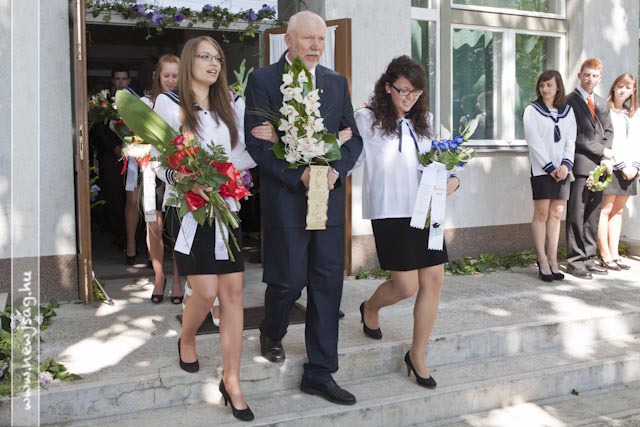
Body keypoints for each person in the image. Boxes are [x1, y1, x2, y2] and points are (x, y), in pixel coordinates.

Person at [244, 10, 363, 406]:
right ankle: (271, 330)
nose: (315, 45)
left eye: (321, 39)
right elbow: (257, 143)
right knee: (289, 280)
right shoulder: (263, 80)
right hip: (287, 196)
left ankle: (320, 372)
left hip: (326, 193)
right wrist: (299, 175)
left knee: (327, 282)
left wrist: (335, 171)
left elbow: (352, 139)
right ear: (289, 40)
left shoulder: (336, 82)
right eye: (308, 38)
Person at [153, 36, 256, 421]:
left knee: (233, 292)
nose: (213, 63)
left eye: (218, 58)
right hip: (188, 207)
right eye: (205, 56)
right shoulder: (169, 103)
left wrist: (228, 171)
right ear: (188, 61)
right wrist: (185, 177)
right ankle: (187, 336)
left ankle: (232, 380)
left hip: (226, 205)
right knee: (206, 290)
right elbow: (158, 161)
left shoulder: (232, 104)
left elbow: (244, 154)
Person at [354, 56, 458, 389]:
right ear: (388, 87)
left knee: (434, 281)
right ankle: (370, 307)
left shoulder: (425, 120)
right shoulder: (367, 119)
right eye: (403, 91)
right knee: (406, 286)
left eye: (415, 92)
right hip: (390, 211)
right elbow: (350, 159)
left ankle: (418, 355)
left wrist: (453, 179)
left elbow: (445, 159)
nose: (409, 98)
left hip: (427, 209)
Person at [523, 70, 576, 281]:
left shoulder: (568, 112)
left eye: (549, 85)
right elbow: (533, 141)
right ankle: (542, 259)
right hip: (542, 170)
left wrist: (565, 165)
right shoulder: (532, 110)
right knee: (542, 214)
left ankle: (553, 259)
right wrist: (549, 167)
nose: (545, 89)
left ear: (558, 87)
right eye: (542, 85)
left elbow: (571, 140)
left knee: (556, 213)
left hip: (562, 171)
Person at [140, 54, 183, 304]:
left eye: (175, 76)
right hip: (152, 171)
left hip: (178, 172)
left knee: (177, 227)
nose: (170, 80)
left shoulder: (186, 105)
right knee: (154, 226)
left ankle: (177, 279)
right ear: (157, 76)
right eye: (166, 75)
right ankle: (159, 277)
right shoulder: (146, 103)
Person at [566, 58, 615, 279]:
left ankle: (588, 257)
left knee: (593, 214)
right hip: (580, 165)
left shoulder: (602, 103)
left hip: (600, 166)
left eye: (595, 76)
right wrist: (602, 151)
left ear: (600, 78)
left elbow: (608, 132)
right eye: (586, 74)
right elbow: (576, 135)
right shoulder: (569, 101)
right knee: (577, 213)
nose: (590, 79)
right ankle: (575, 260)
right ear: (579, 75)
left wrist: (606, 157)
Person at [597, 73, 640, 270]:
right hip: (613, 167)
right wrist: (622, 165)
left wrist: (635, 166)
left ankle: (615, 254)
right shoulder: (606, 110)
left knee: (618, 211)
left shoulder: (633, 114)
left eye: (628, 87)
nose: (623, 90)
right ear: (614, 87)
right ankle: (604, 254)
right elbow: (608, 141)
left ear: (633, 91)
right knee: (605, 210)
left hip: (631, 169)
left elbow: (636, 142)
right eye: (620, 86)